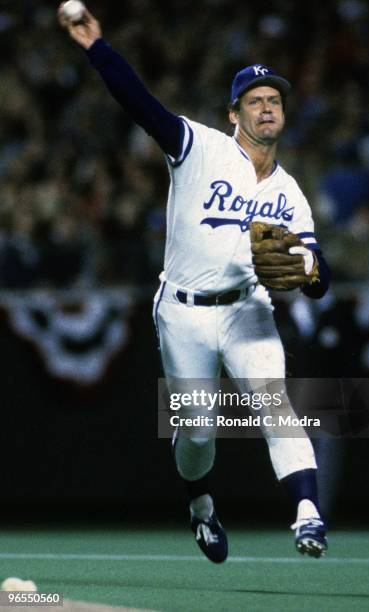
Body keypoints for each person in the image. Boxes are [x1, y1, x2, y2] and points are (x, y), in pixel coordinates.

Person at [59, 5, 330, 563]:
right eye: (254, 100)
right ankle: (201, 505)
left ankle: (308, 514)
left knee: (275, 405)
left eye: (274, 100)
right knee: (200, 432)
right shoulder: (198, 146)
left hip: (248, 310)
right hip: (183, 311)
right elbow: (140, 104)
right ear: (234, 113)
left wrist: (308, 272)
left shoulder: (291, 192)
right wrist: (97, 48)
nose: (266, 107)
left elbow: (317, 273)